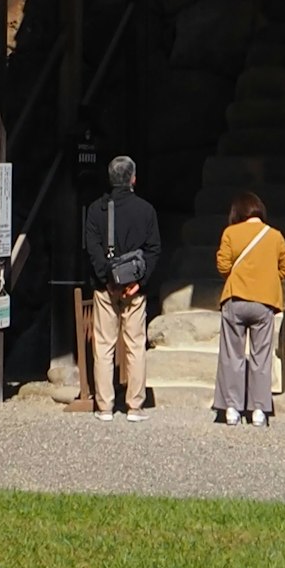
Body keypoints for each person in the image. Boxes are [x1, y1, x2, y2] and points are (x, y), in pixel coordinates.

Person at [78, 155, 162, 418]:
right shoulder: (146, 210)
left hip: (105, 289)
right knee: (136, 345)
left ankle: (105, 406)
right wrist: (138, 281)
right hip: (135, 290)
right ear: (133, 178)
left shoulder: (95, 210)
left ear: (110, 178)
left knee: (104, 345)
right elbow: (154, 250)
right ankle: (135, 406)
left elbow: (92, 251)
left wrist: (108, 280)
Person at [212, 190, 285, 426]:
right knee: (261, 356)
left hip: (235, 299)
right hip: (264, 303)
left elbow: (222, 266)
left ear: (237, 212)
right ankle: (259, 410)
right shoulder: (275, 236)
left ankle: (232, 408)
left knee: (232, 355)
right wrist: (267, 277)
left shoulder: (230, 233)